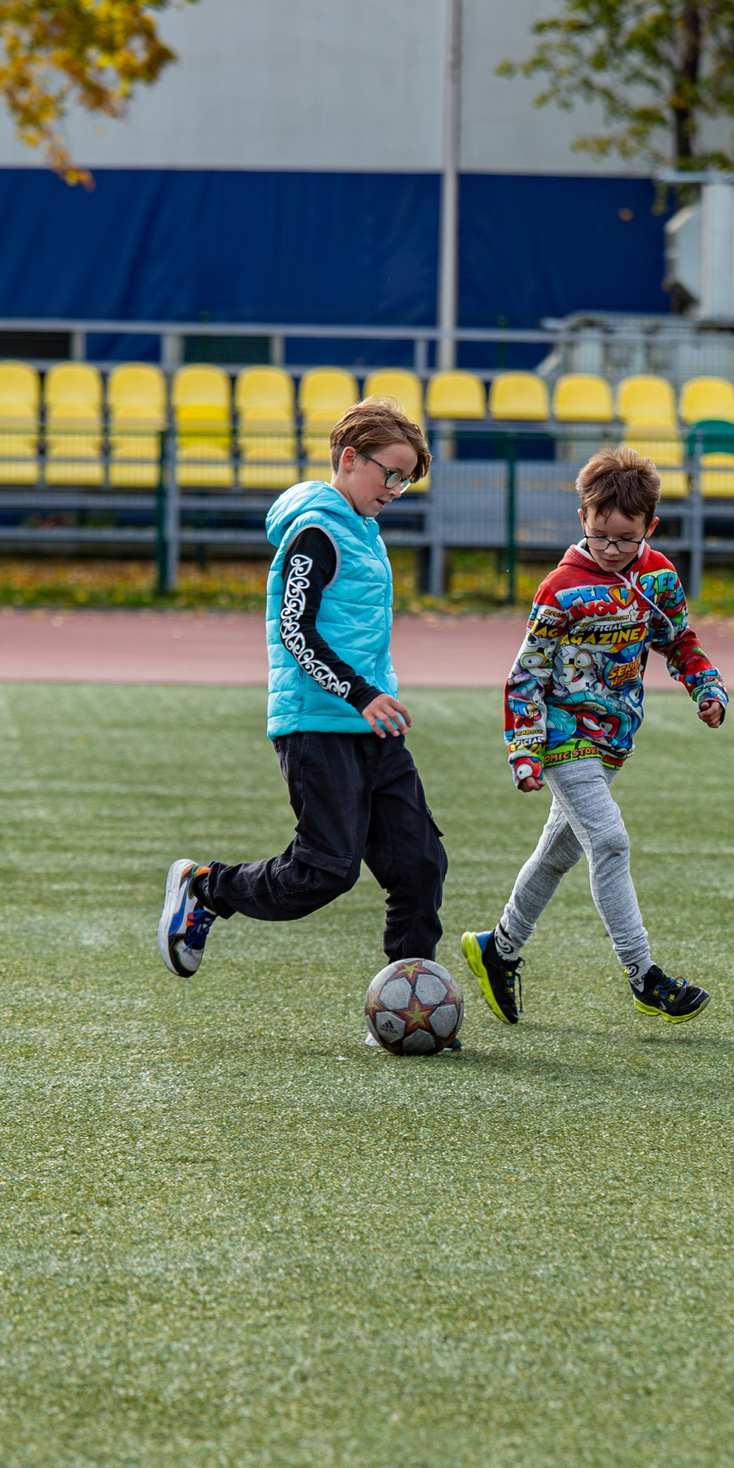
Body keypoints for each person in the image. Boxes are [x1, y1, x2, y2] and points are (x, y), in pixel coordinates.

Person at [158, 397, 447, 1014]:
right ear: (350, 458)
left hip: (373, 727)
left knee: (420, 865)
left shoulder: (364, 532)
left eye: (407, 480)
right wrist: (361, 693)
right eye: (389, 473)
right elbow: (296, 631)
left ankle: (408, 1004)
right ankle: (207, 888)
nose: (395, 489)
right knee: (326, 868)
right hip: (317, 724)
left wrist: (373, 698)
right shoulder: (315, 532)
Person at [459, 446, 728, 1027]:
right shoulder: (561, 589)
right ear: (583, 518)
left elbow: (678, 641)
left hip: (613, 740)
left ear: (648, 528)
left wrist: (706, 688)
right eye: (600, 535)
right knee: (609, 841)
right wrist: (525, 749)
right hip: (562, 735)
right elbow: (525, 674)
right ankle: (644, 976)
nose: (610, 550)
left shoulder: (659, 576)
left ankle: (497, 949)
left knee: (557, 854)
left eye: (624, 539)